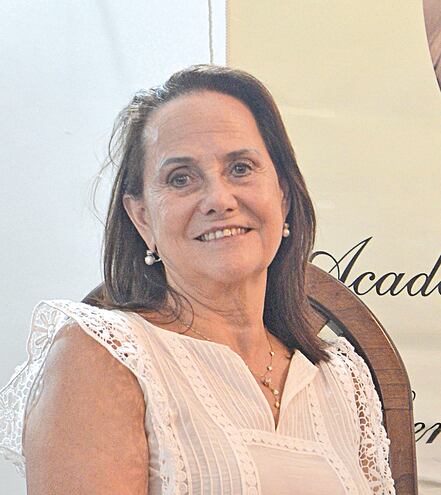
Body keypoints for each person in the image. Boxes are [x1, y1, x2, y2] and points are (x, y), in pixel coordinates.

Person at [0, 64, 395, 494]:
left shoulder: (342, 378)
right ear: (142, 218)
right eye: (181, 179)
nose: (219, 200)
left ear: (282, 196)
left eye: (240, 168)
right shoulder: (101, 354)